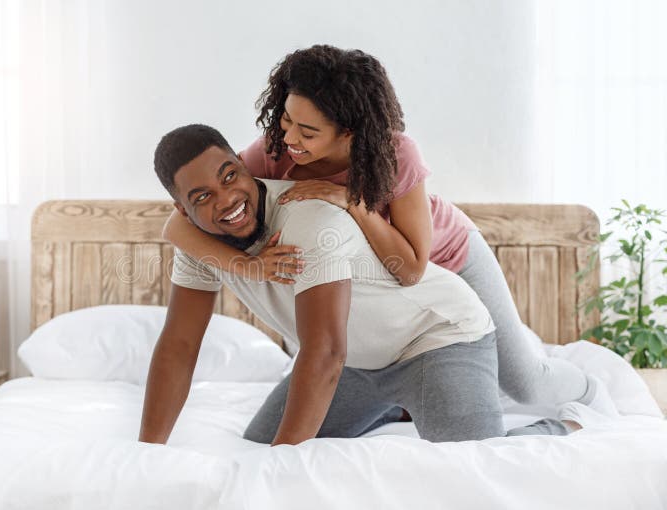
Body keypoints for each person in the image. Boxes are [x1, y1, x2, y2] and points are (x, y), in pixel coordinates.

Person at [160, 45, 617, 416]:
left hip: (447, 259)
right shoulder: (277, 152)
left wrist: (352, 203)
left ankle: (592, 392)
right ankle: (404, 401)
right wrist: (246, 265)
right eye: (285, 120)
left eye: (307, 130)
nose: (290, 138)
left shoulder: (396, 156)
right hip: (375, 291)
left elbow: (412, 268)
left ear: (351, 134)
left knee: (523, 380)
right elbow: (178, 226)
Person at [138, 123, 591, 447]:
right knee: (258, 443)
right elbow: (179, 345)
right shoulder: (197, 244)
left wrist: (283, 466)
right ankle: (397, 404)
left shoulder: (310, 217)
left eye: (229, 176)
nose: (226, 199)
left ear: (241, 163)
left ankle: (566, 426)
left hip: (434, 336)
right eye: (200, 197)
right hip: (359, 359)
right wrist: (148, 452)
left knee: (470, 465)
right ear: (180, 210)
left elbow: (325, 350)